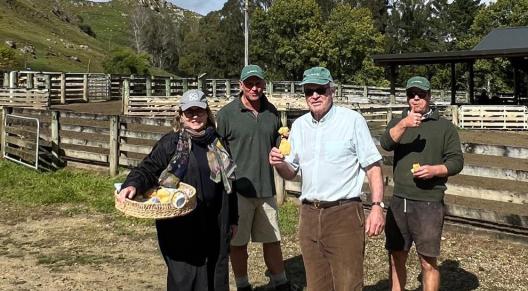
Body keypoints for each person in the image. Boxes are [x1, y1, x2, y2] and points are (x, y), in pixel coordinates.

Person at [269, 66, 385, 291]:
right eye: (309, 91)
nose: (314, 95)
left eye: (320, 89)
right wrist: (279, 163)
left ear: (331, 90)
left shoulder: (352, 121)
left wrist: (377, 207)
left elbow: (373, 167)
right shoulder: (300, 126)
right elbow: (291, 171)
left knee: (348, 284)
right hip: (309, 215)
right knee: (317, 284)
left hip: (344, 214)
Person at [118, 89, 238, 291]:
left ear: (207, 114)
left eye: (199, 111)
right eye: (189, 112)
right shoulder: (171, 143)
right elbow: (148, 168)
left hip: (216, 221)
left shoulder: (217, 142)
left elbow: (229, 184)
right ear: (181, 116)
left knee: (216, 274)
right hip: (182, 223)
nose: (194, 116)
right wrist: (132, 184)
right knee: (185, 276)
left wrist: (233, 218)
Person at [380, 76, 464, 291]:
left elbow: (456, 161)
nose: (415, 99)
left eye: (421, 95)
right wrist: (404, 124)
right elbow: (386, 144)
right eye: (411, 95)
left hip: (429, 202)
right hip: (400, 200)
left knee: (427, 261)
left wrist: (435, 170)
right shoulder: (400, 121)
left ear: (429, 96)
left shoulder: (444, 127)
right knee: (396, 256)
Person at [216, 65, 291, 291]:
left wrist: (284, 145)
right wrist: (223, 187)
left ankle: (280, 282)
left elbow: (279, 145)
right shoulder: (227, 114)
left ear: (264, 84)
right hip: (239, 191)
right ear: (241, 85)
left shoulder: (272, 112)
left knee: (272, 240)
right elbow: (217, 153)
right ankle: (243, 285)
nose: (254, 88)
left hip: (267, 189)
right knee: (238, 243)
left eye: (258, 83)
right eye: (249, 84)